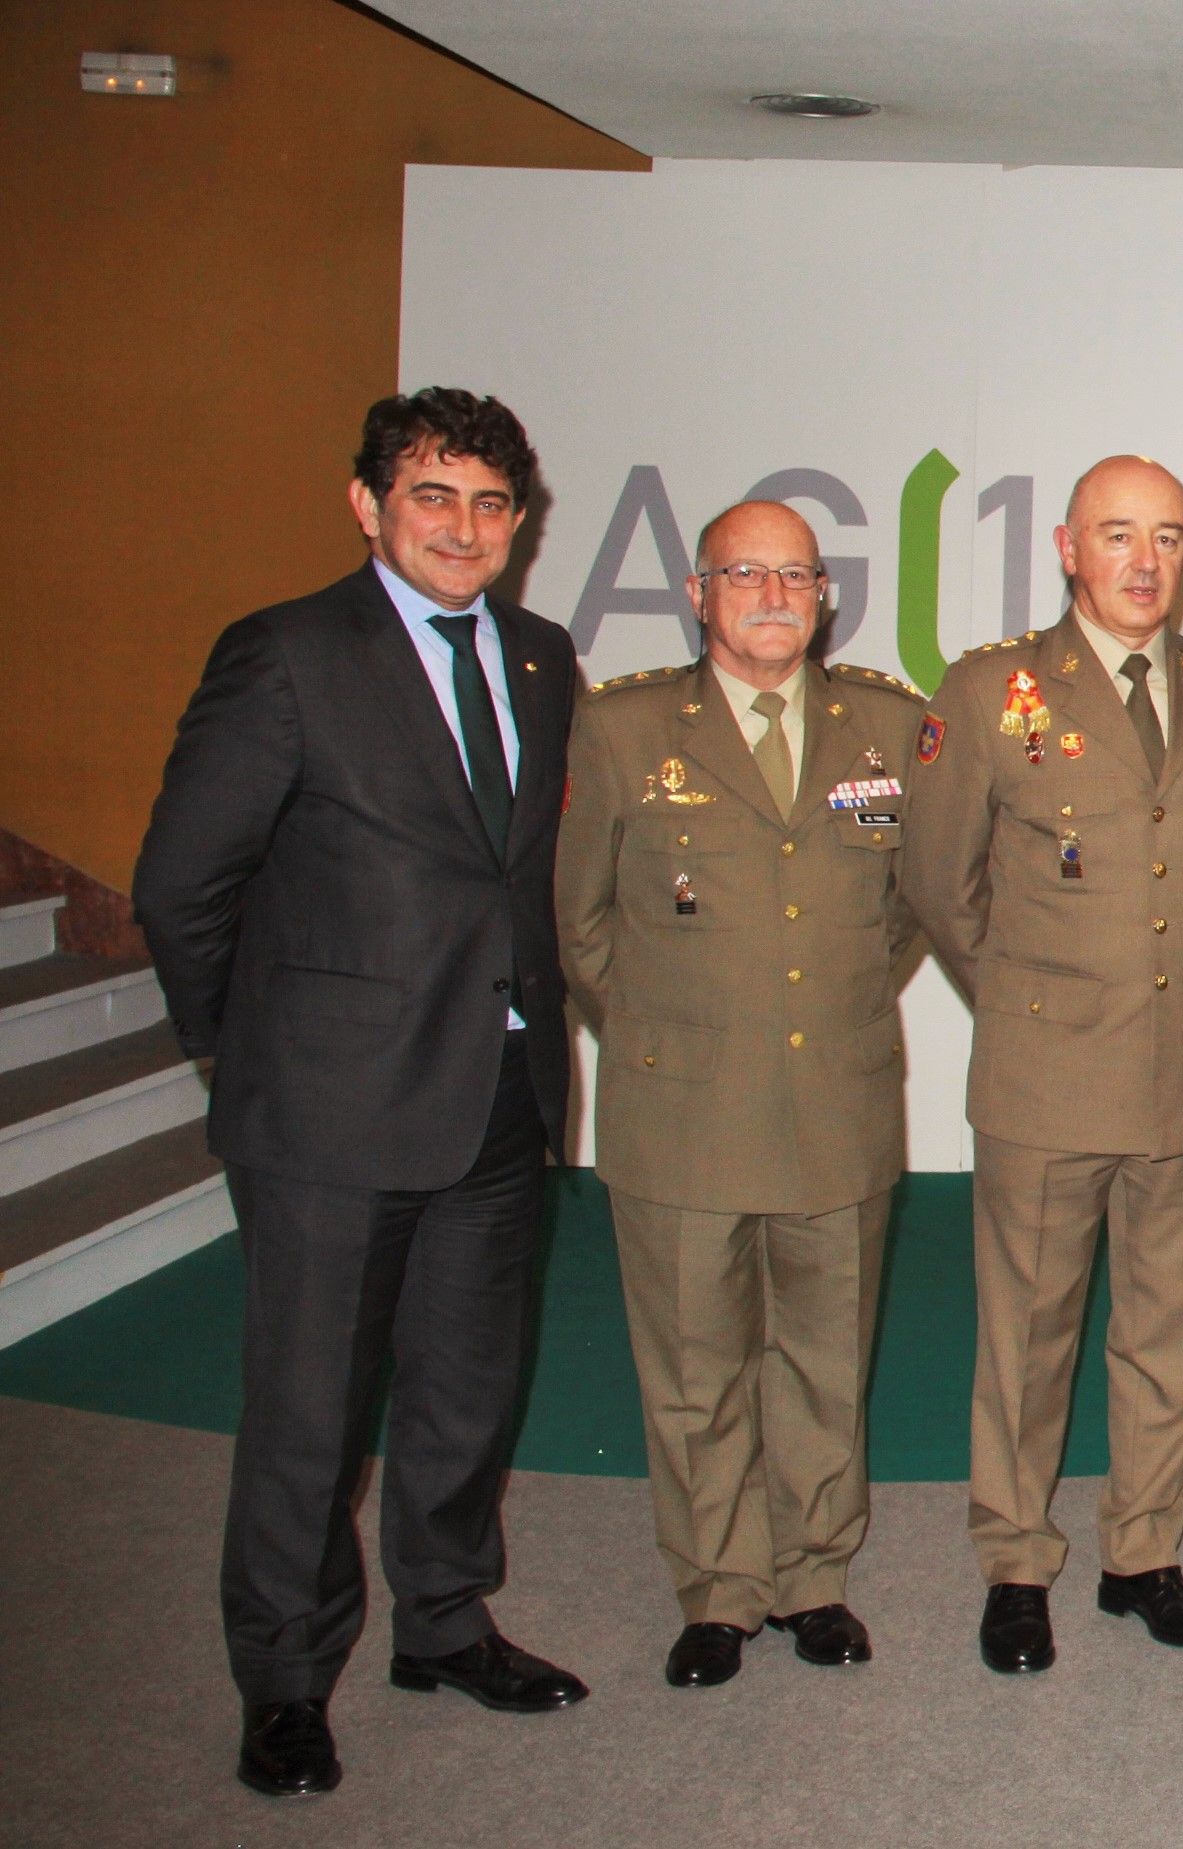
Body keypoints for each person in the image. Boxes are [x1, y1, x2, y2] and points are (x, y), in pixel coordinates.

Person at [132, 389, 587, 1798]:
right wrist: (253, 1056)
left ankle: (444, 1624)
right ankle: (284, 1677)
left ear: (520, 522)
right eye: (433, 495)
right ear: (368, 505)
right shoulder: (284, 655)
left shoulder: (536, 656)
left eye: (490, 502)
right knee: (311, 1413)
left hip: (499, 1094)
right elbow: (179, 886)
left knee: (466, 1394)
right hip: (328, 1114)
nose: (464, 527)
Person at [896, 457, 1183, 1670]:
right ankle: (1016, 1559)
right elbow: (937, 881)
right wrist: (1029, 997)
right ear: (1068, 547)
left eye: (1168, 537)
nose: (1145, 561)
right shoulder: (990, 686)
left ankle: (1142, 1552)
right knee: (1029, 1334)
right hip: (1046, 1075)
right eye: (1119, 535)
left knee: (1171, 1329)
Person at [556, 501, 928, 1689]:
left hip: (837, 1097)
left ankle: (814, 1574)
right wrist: (676, 1033)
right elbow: (579, 920)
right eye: (745, 573)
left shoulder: (888, 723)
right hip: (684, 1109)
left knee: (826, 1355)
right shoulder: (620, 729)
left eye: (796, 575)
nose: (773, 594)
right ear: (698, 590)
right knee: (695, 1364)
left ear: (825, 595)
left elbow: (909, 904)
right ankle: (718, 1586)